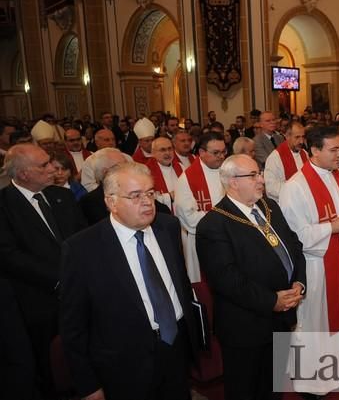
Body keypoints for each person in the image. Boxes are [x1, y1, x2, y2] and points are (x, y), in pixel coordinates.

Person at [60, 162, 198, 400]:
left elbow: (180, 285)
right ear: (111, 202)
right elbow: (74, 327)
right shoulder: (82, 249)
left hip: (176, 349)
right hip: (124, 366)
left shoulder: (168, 226)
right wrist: (89, 385)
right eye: (135, 196)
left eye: (150, 193)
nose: (147, 202)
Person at [197, 154, 306, 400]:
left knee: (274, 387)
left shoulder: (270, 207)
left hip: (281, 318)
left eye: (261, 173)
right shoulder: (214, 224)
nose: (262, 180)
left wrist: (299, 282)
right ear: (233, 182)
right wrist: (271, 301)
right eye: (254, 175)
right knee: (246, 390)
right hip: (244, 327)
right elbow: (227, 279)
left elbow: (295, 247)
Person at [0, 144, 87, 398]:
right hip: (38, 299)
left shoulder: (63, 196)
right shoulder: (4, 205)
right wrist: (59, 280)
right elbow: (8, 255)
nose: (52, 168)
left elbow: (83, 238)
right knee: (49, 365)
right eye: (44, 165)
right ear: (24, 174)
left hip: (79, 292)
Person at [279, 126, 339, 396]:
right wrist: (334, 227)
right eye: (333, 149)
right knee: (313, 322)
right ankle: (310, 381)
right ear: (314, 151)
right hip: (314, 266)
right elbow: (295, 237)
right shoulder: (295, 187)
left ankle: (337, 370)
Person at [173, 132, 226, 283]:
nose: (221, 156)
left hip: (229, 237)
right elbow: (188, 218)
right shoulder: (187, 179)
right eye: (216, 153)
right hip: (202, 239)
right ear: (201, 152)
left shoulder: (228, 170)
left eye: (223, 152)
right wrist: (223, 219)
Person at [78, 148, 171, 225]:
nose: (128, 170)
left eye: (127, 165)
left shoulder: (137, 188)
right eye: (121, 167)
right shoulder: (89, 202)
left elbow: (163, 212)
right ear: (106, 173)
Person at [264, 121, 307, 202]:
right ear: (287, 136)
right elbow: (271, 188)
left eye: (303, 137)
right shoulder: (275, 158)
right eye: (297, 137)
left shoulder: (304, 153)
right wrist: (295, 191)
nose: (301, 141)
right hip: (284, 204)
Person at [147, 137, 183, 209]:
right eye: (162, 150)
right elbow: (148, 197)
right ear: (153, 153)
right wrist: (170, 197)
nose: (167, 153)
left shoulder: (181, 167)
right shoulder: (147, 172)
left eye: (170, 149)